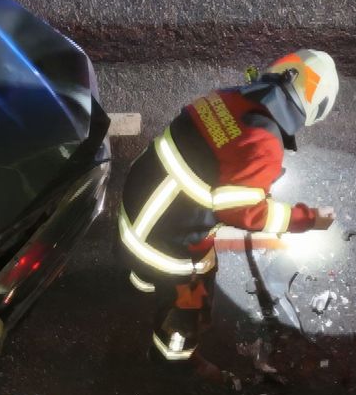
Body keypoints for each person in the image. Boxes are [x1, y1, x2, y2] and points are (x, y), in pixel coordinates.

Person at [117, 50, 339, 374]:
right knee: (193, 294)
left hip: (136, 205)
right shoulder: (263, 140)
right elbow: (243, 212)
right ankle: (174, 360)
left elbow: (219, 154)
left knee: (150, 269)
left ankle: (139, 280)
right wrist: (303, 219)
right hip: (165, 241)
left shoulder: (228, 97)